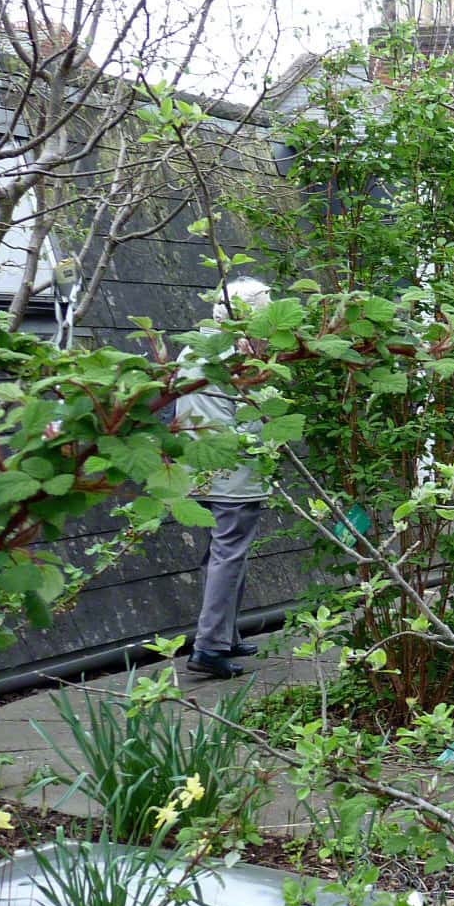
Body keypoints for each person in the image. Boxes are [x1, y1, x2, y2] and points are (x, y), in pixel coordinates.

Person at [176, 277, 273, 680]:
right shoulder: (235, 357)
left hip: (199, 470)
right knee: (229, 556)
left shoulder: (194, 349)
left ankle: (224, 634)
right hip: (234, 474)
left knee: (219, 555)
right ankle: (210, 645)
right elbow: (259, 414)